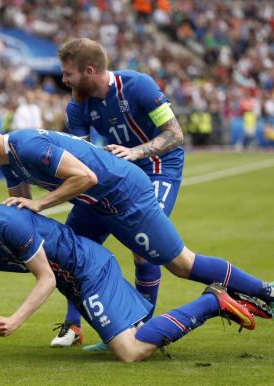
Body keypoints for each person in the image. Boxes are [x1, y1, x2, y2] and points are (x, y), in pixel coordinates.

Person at [0, 113, 274, 344]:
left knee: (182, 264)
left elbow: (86, 177)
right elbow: (20, 212)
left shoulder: (27, 145)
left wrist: (40, 204)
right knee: (70, 258)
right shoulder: (10, 163)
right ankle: (92, 328)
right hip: (93, 202)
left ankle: (271, 292)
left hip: (124, 194)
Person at [0, 204, 260, 362]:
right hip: (77, 282)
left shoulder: (3, 225)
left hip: (89, 269)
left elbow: (45, 279)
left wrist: (16, 319)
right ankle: (212, 302)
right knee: (141, 339)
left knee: (130, 351)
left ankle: (213, 301)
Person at [57, 37, 186, 347]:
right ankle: (73, 325)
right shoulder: (78, 106)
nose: (63, 80)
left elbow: (175, 134)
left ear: (89, 71)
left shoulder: (138, 85)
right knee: (72, 245)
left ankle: (140, 329)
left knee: (145, 247)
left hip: (158, 166)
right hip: (118, 173)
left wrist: (137, 152)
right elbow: (80, 155)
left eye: (68, 73)